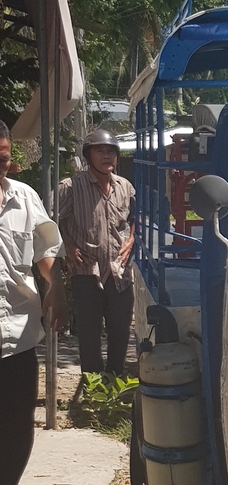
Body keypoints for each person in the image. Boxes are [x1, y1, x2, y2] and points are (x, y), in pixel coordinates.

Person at [0, 119, 67, 485]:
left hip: (16, 333)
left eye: (4, 159)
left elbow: (45, 249)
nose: (0, 167)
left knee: (16, 415)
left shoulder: (24, 198)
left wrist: (55, 286)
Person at [58, 129, 135, 375]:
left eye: (110, 151)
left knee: (120, 331)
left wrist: (132, 239)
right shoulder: (70, 187)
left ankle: (114, 383)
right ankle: (93, 388)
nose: (106, 156)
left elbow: (137, 218)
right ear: (88, 155)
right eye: (100, 151)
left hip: (119, 272)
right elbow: (48, 222)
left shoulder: (125, 186)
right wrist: (66, 244)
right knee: (89, 334)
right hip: (86, 270)